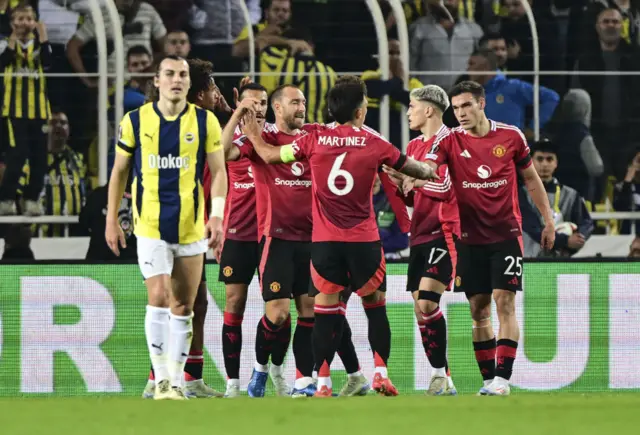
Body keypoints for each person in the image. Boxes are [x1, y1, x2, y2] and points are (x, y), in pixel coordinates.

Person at [241, 75, 438, 397]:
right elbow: (412, 168)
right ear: (360, 111)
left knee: (324, 312)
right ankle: (380, 373)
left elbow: (270, 156)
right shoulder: (375, 142)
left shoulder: (313, 141)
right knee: (375, 306)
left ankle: (322, 382)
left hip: (325, 242)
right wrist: (428, 170)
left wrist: (252, 135)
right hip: (364, 241)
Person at [223, 83, 370, 398]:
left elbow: (356, 136)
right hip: (276, 239)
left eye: (303, 101)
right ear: (277, 108)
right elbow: (222, 152)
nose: (301, 107)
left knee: (309, 312)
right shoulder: (262, 140)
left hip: (315, 239)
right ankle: (260, 370)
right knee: (277, 314)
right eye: (294, 102)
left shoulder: (315, 136)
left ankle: (303, 380)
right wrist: (238, 115)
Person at [106, 55, 227, 401]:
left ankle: (175, 379)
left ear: (190, 84)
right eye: (170, 74)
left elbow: (219, 173)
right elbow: (119, 172)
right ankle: (161, 380)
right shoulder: (135, 121)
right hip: (151, 226)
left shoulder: (206, 123)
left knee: (184, 307)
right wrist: (112, 218)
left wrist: (216, 215)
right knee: (158, 298)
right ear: (157, 81)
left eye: (183, 75)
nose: (177, 79)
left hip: (191, 228)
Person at [425, 80, 555, 396]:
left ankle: (502, 380)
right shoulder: (449, 140)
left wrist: (548, 220)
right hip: (468, 239)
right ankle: (487, 381)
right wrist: (414, 173)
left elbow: (530, 179)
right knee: (479, 309)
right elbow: (430, 165)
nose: (461, 113)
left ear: (482, 104)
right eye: (455, 108)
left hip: (506, 235)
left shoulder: (510, 137)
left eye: (466, 105)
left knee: (504, 302)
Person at [383, 85, 458, 396]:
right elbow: (413, 193)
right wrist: (400, 180)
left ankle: (441, 377)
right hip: (420, 233)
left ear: (429, 110)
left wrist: (417, 180)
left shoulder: (452, 141)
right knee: (420, 308)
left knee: (427, 301)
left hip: (445, 232)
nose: (409, 111)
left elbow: (447, 189)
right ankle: (443, 378)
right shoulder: (413, 146)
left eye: (413, 106)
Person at [0, 4, 51, 216]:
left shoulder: (40, 47)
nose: (24, 23)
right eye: (20, 19)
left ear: (35, 22)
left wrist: (44, 36)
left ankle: (31, 199)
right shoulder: (3, 44)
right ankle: (7, 199)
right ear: (12, 22)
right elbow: (2, 63)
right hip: (14, 112)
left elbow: (49, 64)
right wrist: (12, 42)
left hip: (39, 111)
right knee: (17, 155)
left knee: (39, 157)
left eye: (29, 19)